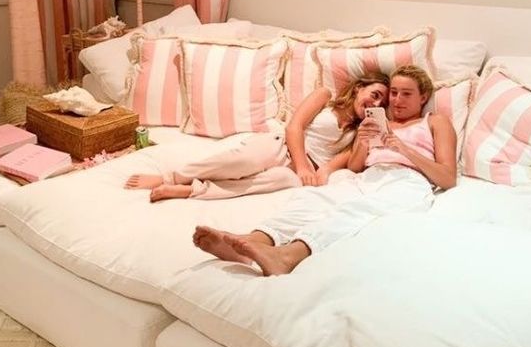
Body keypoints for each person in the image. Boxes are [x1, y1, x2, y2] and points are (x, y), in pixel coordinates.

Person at [193, 65, 456, 274]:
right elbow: (354, 166)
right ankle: (254, 241)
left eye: (406, 94)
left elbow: (448, 178)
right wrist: (363, 142)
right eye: (394, 93)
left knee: (354, 212)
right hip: (368, 176)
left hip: (406, 181)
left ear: (423, 96)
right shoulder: (381, 120)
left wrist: (405, 150)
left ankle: (288, 256)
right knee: (314, 199)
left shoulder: (435, 121)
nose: (397, 100)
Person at [124, 73, 390, 202]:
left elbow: (349, 165)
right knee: (241, 162)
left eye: (380, 103)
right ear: (359, 88)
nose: (373, 103)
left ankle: (190, 190)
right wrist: (302, 165)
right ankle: (169, 177)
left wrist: (366, 138)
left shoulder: (359, 131)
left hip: (298, 172)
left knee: (266, 183)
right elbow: (294, 127)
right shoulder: (325, 96)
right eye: (373, 94)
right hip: (283, 148)